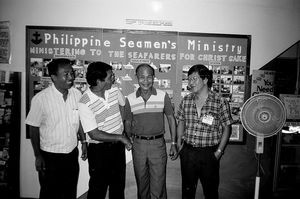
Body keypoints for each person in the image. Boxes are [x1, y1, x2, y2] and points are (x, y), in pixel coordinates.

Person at [25, 58, 88, 199]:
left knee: (69, 192)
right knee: (50, 194)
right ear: (53, 77)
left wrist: (84, 142)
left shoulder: (77, 95)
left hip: (71, 155)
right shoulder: (41, 99)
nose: (71, 77)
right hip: (50, 157)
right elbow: (33, 128)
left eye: (72, 73)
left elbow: (79, 121)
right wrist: (37, 156)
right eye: (66, 74)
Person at [176, 64, 233, 199]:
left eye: (194, 79)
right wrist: (179, 142)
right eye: (189, 79)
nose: (190, 83)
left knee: (211, 192)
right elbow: (181, 120)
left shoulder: (220, 101)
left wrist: (219, 152)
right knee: (187, 192)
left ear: (206, 79)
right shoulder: (186, 100)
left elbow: (227, 127)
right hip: (188, 152)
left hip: (209, 153)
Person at [78, 61, 132, 199]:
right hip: (99, 151)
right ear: (99, 81)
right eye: (110, 76)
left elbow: (123, 106)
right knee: (98, 189)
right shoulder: (84, 102)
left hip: (117, 149)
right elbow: (94, 134)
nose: (113, 78)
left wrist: (124, 130)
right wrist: (120, 137)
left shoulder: (114, 91)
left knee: (118, 188)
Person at [124, 63, 177, 199]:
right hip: (138, 145)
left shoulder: (162, 95)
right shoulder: (129, 99)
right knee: (142, 184)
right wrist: (128, 137)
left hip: (158, 144)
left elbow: (171, 118)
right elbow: (128, 121)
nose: (146, 81)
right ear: (137, 77)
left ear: (154, 78)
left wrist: (174, 143)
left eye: (149, 77)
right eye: (142, 77)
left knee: (158, 185)